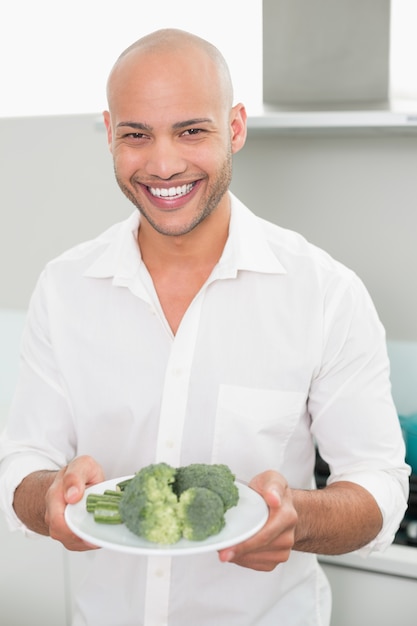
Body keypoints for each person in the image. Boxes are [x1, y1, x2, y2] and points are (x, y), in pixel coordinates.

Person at [0, 28, 409, 626]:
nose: (164, 164)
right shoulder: (64, 289)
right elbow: (21, 463)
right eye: (137, 135)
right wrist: (48, 499)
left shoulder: (324, 292)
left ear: (235, 128)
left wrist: (298, 517)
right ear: (110, 133)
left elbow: (379, 486)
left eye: (192, 130)